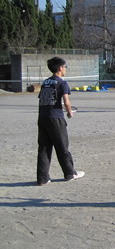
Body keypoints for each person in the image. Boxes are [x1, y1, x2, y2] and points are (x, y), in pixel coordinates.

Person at [36, 57, 85, 186]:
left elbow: (46, 100)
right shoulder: (62, 83)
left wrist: (61, 106)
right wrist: (69, 112)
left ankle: (42, 178)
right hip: (56, 118)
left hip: (42, 117)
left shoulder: (46, 82)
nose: (65, 69)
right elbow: (66, 101)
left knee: (44, 148)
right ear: (60, 68)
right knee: (62, 146)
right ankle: (70, 173)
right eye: (65, 67)